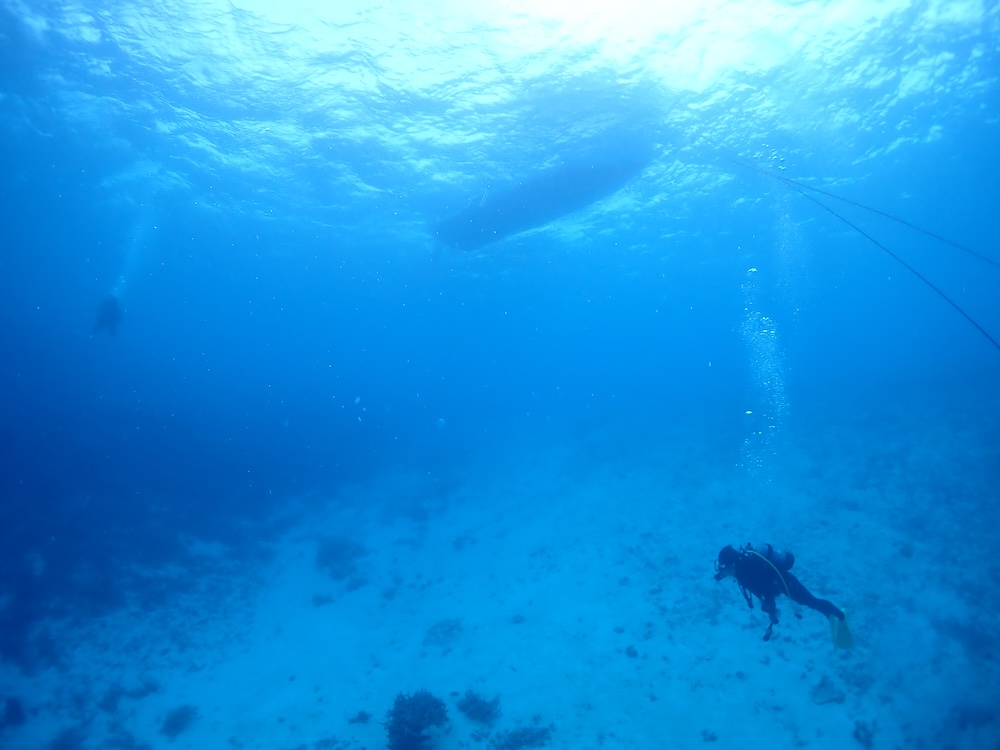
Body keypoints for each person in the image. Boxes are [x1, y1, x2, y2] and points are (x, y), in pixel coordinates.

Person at [714, 543, 853, 648]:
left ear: (732, 565)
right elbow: (763, 589)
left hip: (785, 582)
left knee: (810, 601)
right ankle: (828, 614)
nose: (722, 572)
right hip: (778, 583)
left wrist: (771, 610)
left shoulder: (746, 574)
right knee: (808, 602)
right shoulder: (742, 569)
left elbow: (767, 591)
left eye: (723, 568)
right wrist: (770, 609)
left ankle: (840, 616)